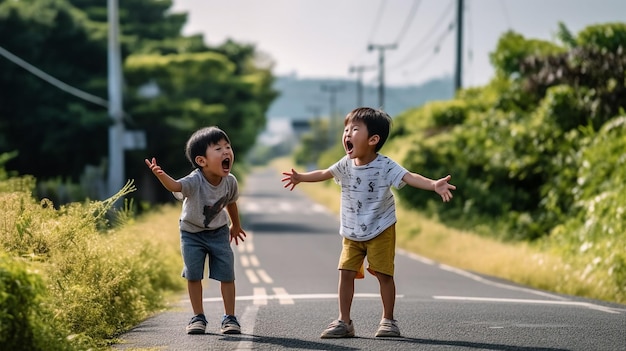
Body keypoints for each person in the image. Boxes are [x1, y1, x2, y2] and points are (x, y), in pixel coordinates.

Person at [281, 107, 456, 338]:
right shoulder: (345, 163)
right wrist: (301, 177)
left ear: (373, 139)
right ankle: (344, 321)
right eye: (346, 129)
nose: (347, 134)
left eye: (354, 129)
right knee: (345, 272)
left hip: (381, 227)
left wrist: (434, 184)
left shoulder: (385, 165)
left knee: (384, 275)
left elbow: (409, 176)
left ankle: (388, 320)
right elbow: (325, 173)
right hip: (352, 230)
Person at [145, 126, 246, 335]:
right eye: (218, 149)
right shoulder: (194, 180)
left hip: (218, 232)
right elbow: (174, 186)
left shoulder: (230, 181)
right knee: (193, 275)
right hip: (191, 233)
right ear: (202, 161)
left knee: (227, 274)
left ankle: (230, 318)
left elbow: (231, 203)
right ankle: (198, 316)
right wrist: (160, 175)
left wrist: (235, 225)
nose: (226, 151)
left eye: (228, 147)